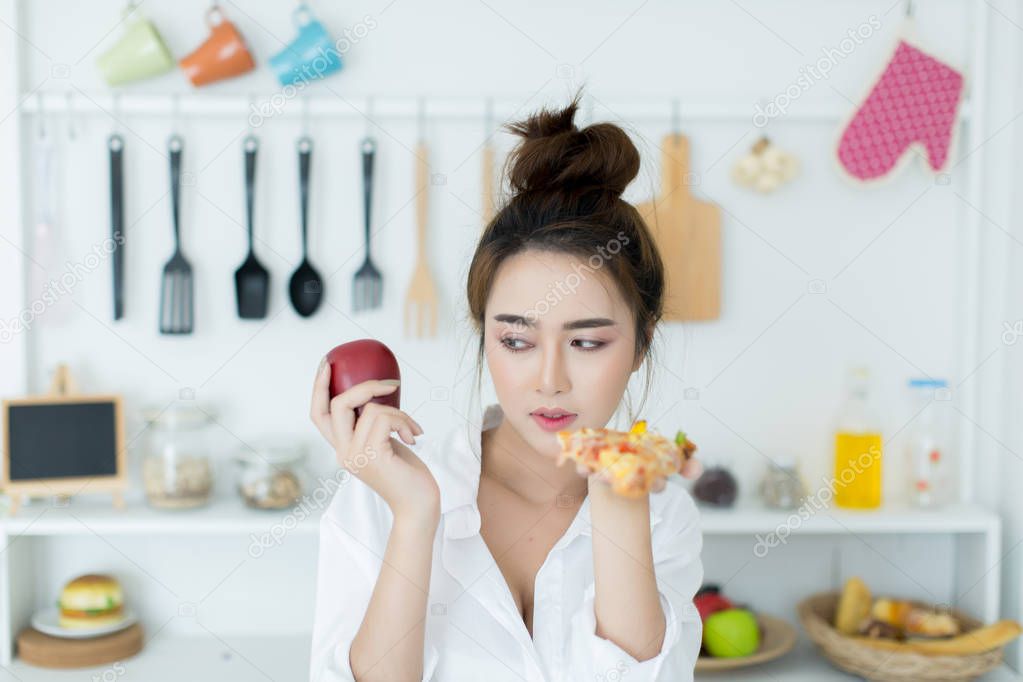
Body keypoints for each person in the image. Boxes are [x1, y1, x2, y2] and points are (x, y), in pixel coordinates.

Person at [309, 90, 704, 682]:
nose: (550, 381)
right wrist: (416, 516)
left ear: (642, 343)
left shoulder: (663, 514)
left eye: (587, 343)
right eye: (517, 342)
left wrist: (620, 507)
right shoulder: (380, 496)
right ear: (484, 336)